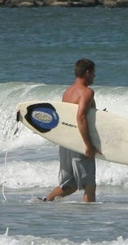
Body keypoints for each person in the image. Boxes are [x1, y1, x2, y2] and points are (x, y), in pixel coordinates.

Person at [42, 58, 99, 202]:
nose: (94, 76)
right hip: (79, 142)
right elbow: (80, 117)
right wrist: (88, 145)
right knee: (89, 186)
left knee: (70, 185)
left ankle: (45, 202)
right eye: (93, 73)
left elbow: (66, 119)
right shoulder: (86, 92)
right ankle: (88, 222)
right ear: (87, 72)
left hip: (66, 142)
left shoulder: (67, 92)